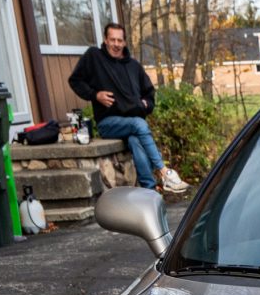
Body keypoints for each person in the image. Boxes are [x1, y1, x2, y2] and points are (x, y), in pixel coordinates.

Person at [68, 23, 181, 193]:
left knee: (136, 140)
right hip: (108, 123)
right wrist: (95, 95)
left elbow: (149, 94)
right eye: (112, 40)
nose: (116, 44)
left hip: (133, 123)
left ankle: (150, 191)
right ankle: (164, 172)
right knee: (139, 124)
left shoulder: (133, 66)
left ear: (125, 42)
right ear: (106, 40)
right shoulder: (94, 57)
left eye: (119, 40)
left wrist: (146, 104)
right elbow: (75, 80)